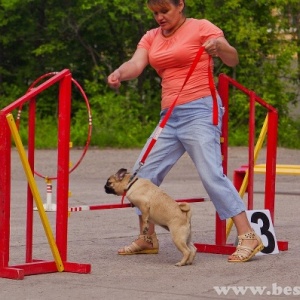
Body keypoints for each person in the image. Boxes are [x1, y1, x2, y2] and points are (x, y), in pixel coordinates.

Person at [107, 0, 264, 262]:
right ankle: (147, 237)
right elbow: (135, 64)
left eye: (164, 11)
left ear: (180, 5)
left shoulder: (201, 27)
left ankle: (248, 235)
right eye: (155, 13)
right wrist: (119, 73)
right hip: (169, 116)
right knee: (142, 175)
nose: (159, 17)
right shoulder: (151, 37)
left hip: (200, 111)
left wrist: (220, 46)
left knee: (211, 174)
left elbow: (232, 58)